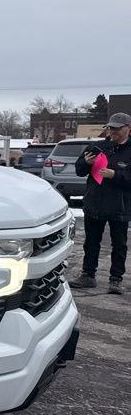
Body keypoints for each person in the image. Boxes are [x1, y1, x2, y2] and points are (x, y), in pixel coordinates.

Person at [69, 113, 131, 294]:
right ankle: (88, 275)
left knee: (119, 244)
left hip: (120, 206)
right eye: (111, 128)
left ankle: (116, 279)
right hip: (95, 203)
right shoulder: (98, 146)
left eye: (117, 129)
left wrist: (115, 175)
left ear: (128, 128)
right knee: (91, 242)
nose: (113, 132)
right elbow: (79, 170)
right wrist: (86, 163)